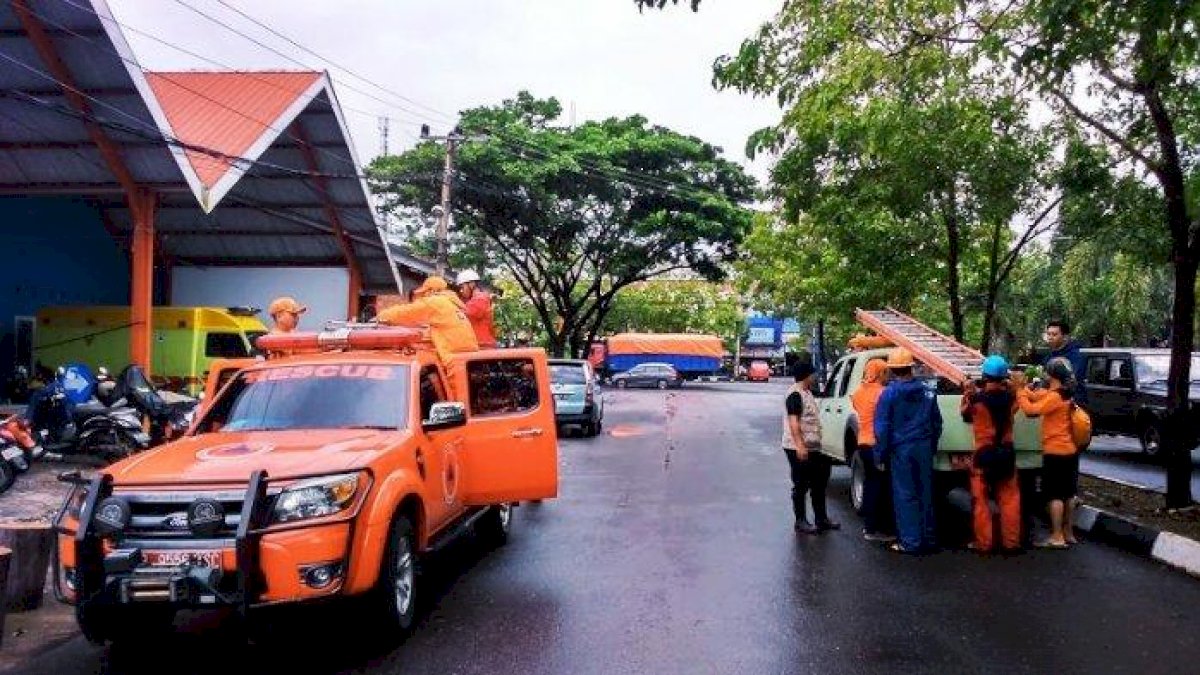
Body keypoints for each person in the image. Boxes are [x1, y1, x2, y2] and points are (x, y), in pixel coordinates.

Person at [875, 348, 943, 554]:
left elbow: (882, 427)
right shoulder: (927, 392)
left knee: (906, 495)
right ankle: (929, 539)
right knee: (926, 493)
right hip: (923, 446)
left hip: (902, 450)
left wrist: (880, 454)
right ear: (911, 367)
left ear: (893, 369)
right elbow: (937, 423)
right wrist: (931, 446)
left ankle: (910, 542)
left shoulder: (889, 394)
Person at [1015, 357, 1079, 549]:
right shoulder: (1064, 394)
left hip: (1055, 451)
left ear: (1052, 375)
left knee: (1054, 495)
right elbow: (1038, 396)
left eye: (1046, 371)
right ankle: (1068, 533)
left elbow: (1031, 410)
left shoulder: (1055, 397)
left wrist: (1018, 391)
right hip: (1070, 450)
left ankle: (1057, 536)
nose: (1043, 374)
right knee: (1068, 494)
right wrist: (1026, 389)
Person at [961, 355, 1021, 554]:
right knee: (1010, 499)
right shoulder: (1012, 397)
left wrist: (968, 390)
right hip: (1006, 453)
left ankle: (983, 543)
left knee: (981, 501)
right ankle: (1011, 543)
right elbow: (1015, 403)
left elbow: (965, 415)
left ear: (985, 375)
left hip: (983, 455)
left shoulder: (976, 399)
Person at [782, 362, 840, 534]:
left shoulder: (807, 392)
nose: (815, 377)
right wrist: (800, 446)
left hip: (813, 447)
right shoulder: (795, 394)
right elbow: (793, 422)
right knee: (801, 484)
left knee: (819, 482)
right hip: (797, 447)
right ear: (806, 375)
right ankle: (800, 521)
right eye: (813, 374)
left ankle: (821, 519)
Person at [376, 276, 479, 364]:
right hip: (465, 355)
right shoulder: (453, 303)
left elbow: (406, 312)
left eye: (425, 293)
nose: (424, 297)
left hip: (452, 358)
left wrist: (380, 316)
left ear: (432, 291)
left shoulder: (436, 302)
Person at [850, 358, 894, 542]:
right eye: (886, 372)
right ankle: (876, 529)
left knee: (870, 484)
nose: (888, 376)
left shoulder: (859, 392)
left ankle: (869, 527)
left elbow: (856, 405)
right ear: (880, 373)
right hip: (877, 445)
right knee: (880, 487)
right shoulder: (883, 393)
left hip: (862, 444)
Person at [1043, 320, 1087, 408]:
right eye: (1049, 334)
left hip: (1072, 404)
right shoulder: (1049, 356)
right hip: (1053, 402)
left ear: (1065, 337)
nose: (1050, 337)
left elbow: (1072, 379)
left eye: (1054, 334)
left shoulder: (1076, 355)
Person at [455, 270, 498, 349]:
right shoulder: (473, 300)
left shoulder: (480, 298)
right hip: (478, 345)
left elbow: (465, 314)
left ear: (471, 284)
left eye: (462, 287)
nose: (461, 291)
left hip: (483, 345)